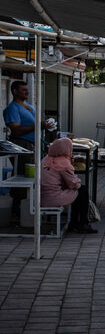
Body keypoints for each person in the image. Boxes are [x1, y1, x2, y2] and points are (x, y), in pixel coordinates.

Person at [40, 137, 96, 234]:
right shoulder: (63, 162)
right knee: (82, 191)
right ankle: (82, 223)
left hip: (42, 196)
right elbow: (73, 183)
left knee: (77, 194)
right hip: (54, 197)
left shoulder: (46, 159)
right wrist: (77, 181)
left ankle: (75, 222)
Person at [3, 80, 35, 225]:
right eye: (23, 90)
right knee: (22, 177)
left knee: (31, 177)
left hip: (32, 146)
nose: (27, 92)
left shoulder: (29, 107)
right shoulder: (12, 108)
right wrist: (36, 126)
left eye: (27, 90)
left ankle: (28, 208)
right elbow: (16, 129)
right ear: (15, 91)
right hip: (21, 146)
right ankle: (17, 212)